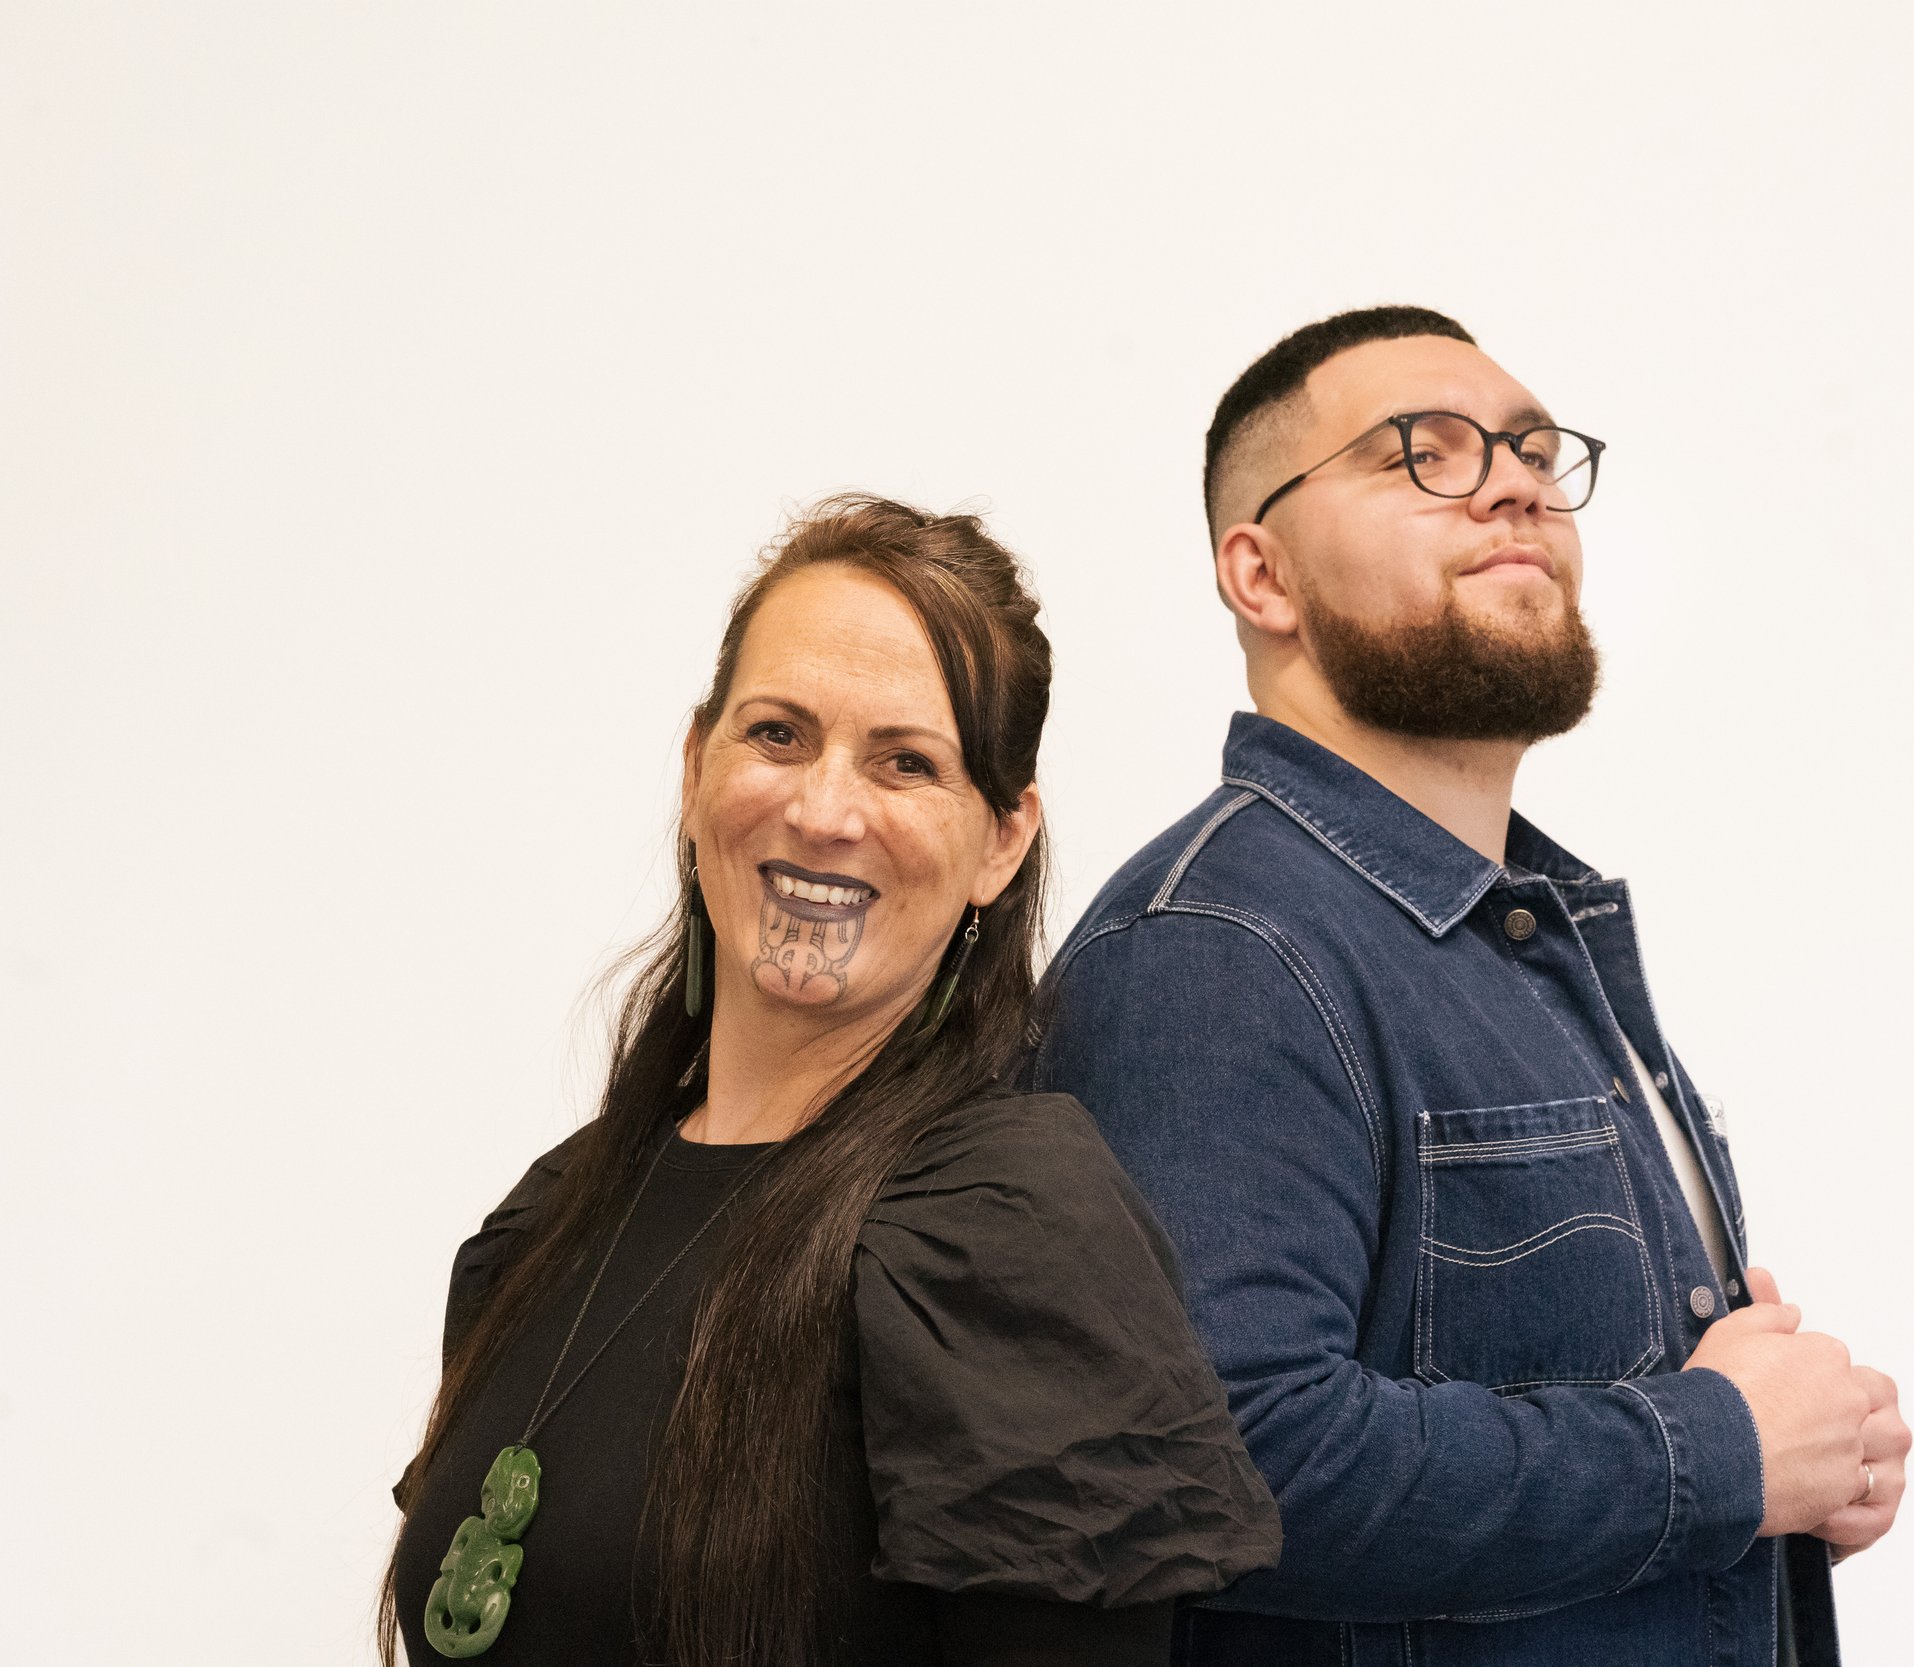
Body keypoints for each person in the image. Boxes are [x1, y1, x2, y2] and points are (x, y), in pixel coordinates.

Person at [1030, 308, 1909, 1667]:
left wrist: (1799, 1465)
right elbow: (1223, 1465)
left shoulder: (1529, 939)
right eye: (1419, 455)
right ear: (1261, 573)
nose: (1514, 481)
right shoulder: (1217, 944)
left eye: (1534, 449)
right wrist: (1721, 1447)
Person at [385, 494, 1280, 1667]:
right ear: (699, 762)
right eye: (778, 734)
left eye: (906, 761)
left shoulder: (1006, 1232)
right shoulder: (556, 1211)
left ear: (1000, 842)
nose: (822, 810)